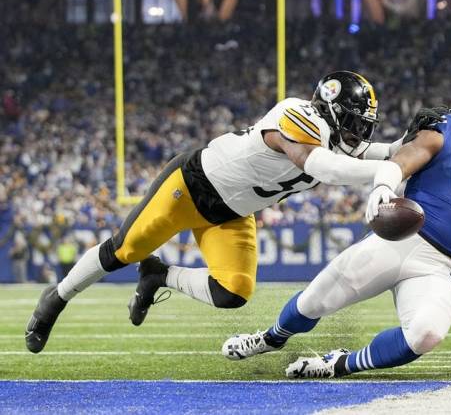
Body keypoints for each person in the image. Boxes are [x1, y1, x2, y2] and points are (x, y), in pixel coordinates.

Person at [221, 78, 451, 378]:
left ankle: (339, 364)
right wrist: (385, 184)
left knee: (426, 335)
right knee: (314, 302)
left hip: (444, 269)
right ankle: (271, 338)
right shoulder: (447, 127)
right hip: (404, 240)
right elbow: (406, 157)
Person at [25, 71, 401, 354]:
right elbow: (322, 166)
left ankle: (159, 276)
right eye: (352, 121)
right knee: (124, 251)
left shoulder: (334, 140)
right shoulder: (297, 114)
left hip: (233, 214)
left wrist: (415, 142)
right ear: (329, 108)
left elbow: (386, 152)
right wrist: (385, 172)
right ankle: (55, 299)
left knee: (232, 292)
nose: (358, 132)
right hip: (191, 187)